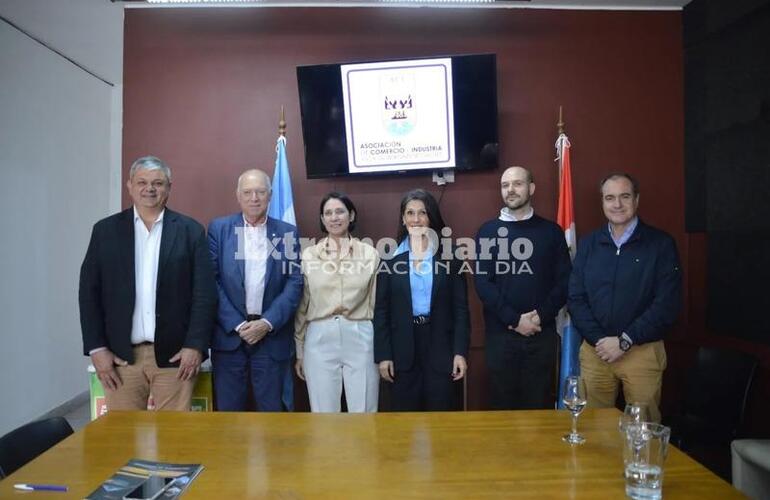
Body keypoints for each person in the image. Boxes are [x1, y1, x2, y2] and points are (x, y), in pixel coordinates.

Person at [79, 156, 217, 411]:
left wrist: (195, 345)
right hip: (121, 357)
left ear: (169, 187)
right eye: (142, 182)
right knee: (122, 438)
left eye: (157, 183)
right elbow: (89, 294)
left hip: (175, 357)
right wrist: (97, 348)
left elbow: (204, 295)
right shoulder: (105, 231)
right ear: (129, 186)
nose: (149, 188)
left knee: (174, 438)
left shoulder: (190, 231)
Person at [568, 172, 682, 422]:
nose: (617, 204)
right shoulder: (589, 245)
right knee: (593, 427)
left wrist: (625, 341)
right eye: (610, 198)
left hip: (641, 351)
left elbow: (667, 304)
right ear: (602, 202)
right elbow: (576, 298)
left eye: (624, 196)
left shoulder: (660, 244)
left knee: (643, 430)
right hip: (596, 352)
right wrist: (600, 340)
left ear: (637, 200)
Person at [474, 166, 572, 409]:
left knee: (538, 409)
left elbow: (565, 282)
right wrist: (515, 320)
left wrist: (539, 316)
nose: (510, 190)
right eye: (505, 185)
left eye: (517, 184)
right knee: (502, 410)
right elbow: (483, 284)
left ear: (531, 188)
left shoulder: (551, 232)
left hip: (541, 336)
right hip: (501, 338)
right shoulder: (487, 231)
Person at [208, 169, 302, 411]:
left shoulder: (286, 233)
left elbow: (294, 282)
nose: (254, 198)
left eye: (260, 192)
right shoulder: (219, 229)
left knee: (273, 416)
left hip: (270, 337)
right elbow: (211, 281)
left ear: (270, 195)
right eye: (247, 192)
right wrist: (239, 325)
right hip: (230, 338)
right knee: (229, 417)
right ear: (238, 196)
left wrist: (266, 323)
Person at [374, 189, 469, 411]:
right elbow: (381, 311)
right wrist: (384, 355)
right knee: (405, 424)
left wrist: (460, 352)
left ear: (431, 217)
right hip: (402, 351)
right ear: (403, 218)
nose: (416, 219)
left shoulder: (451, 256)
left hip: (441, 348)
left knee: (442, 423)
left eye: (422, 213)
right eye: (410, 213)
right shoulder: (390, 259)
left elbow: (461, 309)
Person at [294, 192, 380, 413]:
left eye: (340, 211)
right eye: (328, 213)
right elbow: (302, 307)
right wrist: (300, 351)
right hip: (319, 335)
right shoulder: (309, 256)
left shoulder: (370, 254)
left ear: (351, 215)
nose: (334, 217)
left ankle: (364, 450)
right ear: (322, 219)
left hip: (360, 333)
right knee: (324, 414)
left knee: (363, 411)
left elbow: (378, 303)